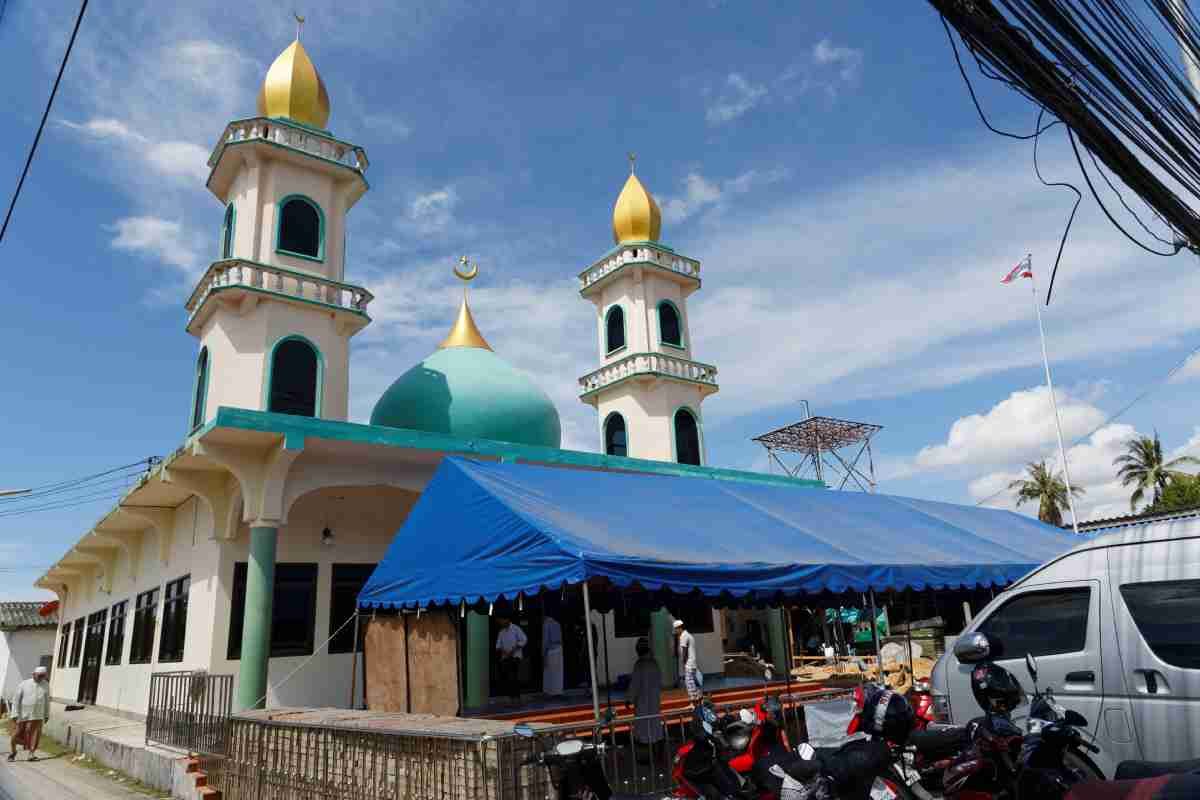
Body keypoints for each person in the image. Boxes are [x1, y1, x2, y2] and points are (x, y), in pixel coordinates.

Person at [624, 637, 664, 762]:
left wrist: (629, 700)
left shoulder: (639, 665)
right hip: (654, 701)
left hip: (642, 704)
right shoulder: (655, 663)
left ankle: (646, 758)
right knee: (656, 728)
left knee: (644, 731)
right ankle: (658, 756)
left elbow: (634, 685)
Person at [8, 666, 50, 762]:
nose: (41, 678)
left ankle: (31, 754)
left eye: (43, 676)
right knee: (16, 734)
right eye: (39, 676)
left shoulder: (46, 685)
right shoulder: (24, 684)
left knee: (35, 734)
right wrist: (14, 714)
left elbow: (47, 701)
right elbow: (16, 700)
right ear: (33, 674)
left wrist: (47, 714)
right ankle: (13, 752)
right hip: (23, 714)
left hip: (38, 714)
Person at [495, 616, 527, 703]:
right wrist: (503, 650)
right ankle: (511, 697)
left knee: (513, 676)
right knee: (507, 677)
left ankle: (516, 697)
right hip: (505, 657)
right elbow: (497, 645)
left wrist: (515, 648)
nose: (500, 622)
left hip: (515, 656)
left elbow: (524, 640)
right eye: (499, 621)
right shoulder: (501, 632)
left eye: (502, 620)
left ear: (507, 619)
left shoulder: (516, 628)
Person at [673, 619, 702, 704]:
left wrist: (683, 661)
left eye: (676, 629)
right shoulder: (689, 635)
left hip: (689, 664)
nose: (676, 631)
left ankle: (693, 703)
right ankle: (698, 701)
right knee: (694, 683)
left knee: (689, 684)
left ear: (679, 628)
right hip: (693, 663)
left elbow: (684, 650)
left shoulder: (683, 636)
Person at [542, 614, 564, 697]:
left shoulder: (546, 624)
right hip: (559, 648)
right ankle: (558, 690)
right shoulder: (557, 624)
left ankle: (550, 691)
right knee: (558, 672)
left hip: (550, 649)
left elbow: (546, 640)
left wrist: (543, 653)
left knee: (550, 671)